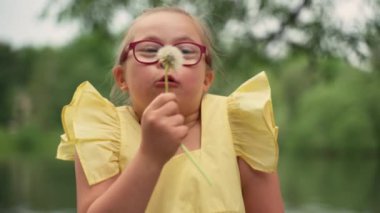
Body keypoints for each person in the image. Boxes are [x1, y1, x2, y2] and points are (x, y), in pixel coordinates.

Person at [57, 6, 284, 213]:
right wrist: (150, 156)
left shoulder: (241, 126)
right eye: (148, 49)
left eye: (185, 51)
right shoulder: (102, 133)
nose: (163, 59)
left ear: (207, 79)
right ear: (121, 78)